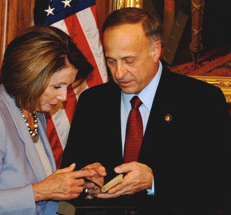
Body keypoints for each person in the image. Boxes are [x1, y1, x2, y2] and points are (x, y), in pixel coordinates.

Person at [61, 7, 230, 214]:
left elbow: (219, 184)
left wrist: (154, 181)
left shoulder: (201, 101)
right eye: (111, 61)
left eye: (129, 61)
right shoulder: (92, 102)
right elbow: (71, 173)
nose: (119, 73)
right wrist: (87, 181)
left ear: (155, 50)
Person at [0, 25, 96, 215]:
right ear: (29, 77)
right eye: (57, 86)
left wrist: (78, 184)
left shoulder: (35, 113)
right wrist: (41, 191)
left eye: (67, 86)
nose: (64, 97)